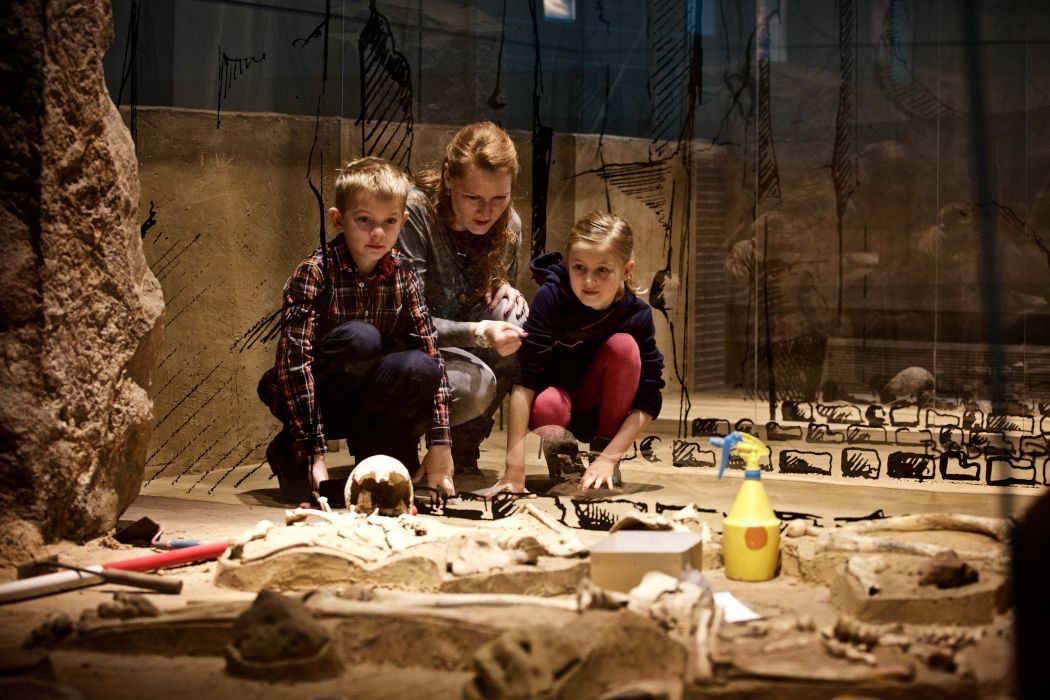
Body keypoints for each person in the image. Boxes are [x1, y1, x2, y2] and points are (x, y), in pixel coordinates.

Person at [258, 156, 455, 502]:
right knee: (361, 338)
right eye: (364, 220)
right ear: (338, 219)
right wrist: (314, 453)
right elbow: (294, 364)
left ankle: (376, 449)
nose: (378, 233)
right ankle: (292, 450)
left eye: (389, 221)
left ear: (403, 222)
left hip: (370, 401)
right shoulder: (314, 272)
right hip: (319, 399)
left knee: (420, 365)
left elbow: (431, 354)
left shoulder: (404, 275)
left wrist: (441, 443)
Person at [489, 211, 665, 494]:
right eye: (579, 268)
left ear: (627, 270)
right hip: (556, 407)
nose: (589, 281)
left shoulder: (637, 316)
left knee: (624, 347)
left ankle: (601, 456)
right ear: (567, 263)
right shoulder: (551, 298)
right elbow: (524, 380)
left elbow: (649, 396)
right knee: (548, 402)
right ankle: (563, 459)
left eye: (602, 270)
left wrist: (610, 456)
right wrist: (514, 467)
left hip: (604, 410)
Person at [398, 122, 528, 474]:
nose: (487, 211)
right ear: (449, 177)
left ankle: (465, 444)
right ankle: (403, 441)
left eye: (499, 198)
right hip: (410, 348)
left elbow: (497, 309)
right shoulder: (416, 213)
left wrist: (506, 291)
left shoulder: (510, 224)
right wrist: (479, 331)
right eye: (473, 198)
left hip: (465, 346)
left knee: (514, 317)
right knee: (475, 380)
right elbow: (410, 322)